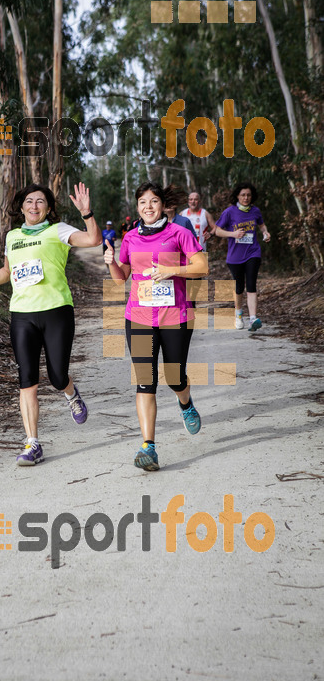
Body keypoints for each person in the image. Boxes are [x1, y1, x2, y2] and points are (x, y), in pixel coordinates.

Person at [0, 182, 102, 466]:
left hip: (56, 311)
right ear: (21, 207)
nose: (34, 206)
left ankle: (70, 393)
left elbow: (92, 241)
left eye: (40, 202)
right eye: (29, 201)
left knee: (57, 376)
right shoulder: (13, 236)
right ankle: (32, 443)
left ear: (49, 208)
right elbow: (7, 270)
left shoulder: (59, 230)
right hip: (22, 314)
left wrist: (87, 214)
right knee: (27, 380)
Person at [104, 182, 209, 472]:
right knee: (144, 382)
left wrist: (172, 270)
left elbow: (201, 266)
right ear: (137, 207)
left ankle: (185, 403)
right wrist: (111, 262)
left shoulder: (180, 233)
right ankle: (148, 447)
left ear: (163, 205)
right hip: (138, 317)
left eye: (153, 202)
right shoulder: (130, 238)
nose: (148, 207)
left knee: (175, 377)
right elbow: (120, 278)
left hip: (176, 315)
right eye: (142, 203)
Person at [214, 182, 271, 332]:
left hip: (253, 252)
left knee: (251, 284)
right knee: (239, 287)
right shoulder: (229, 212)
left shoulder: (255, 211)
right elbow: (217, 231)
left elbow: (261, 225)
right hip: (235, 256)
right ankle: (238, 314)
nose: (246, 198)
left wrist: (265, 233)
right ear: (237, 196)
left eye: (248, 195)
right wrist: (233, 234)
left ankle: (253, 318)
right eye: (243, 195)